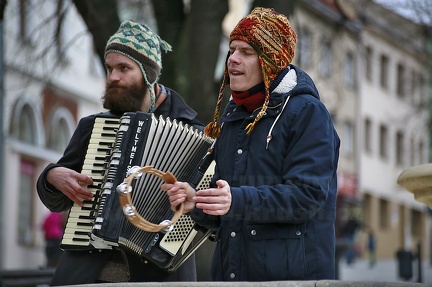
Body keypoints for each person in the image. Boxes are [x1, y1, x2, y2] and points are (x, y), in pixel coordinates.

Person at [164, 7, 340, 281]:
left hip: (290, 280)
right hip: (232, 277)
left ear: (271, 62)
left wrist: (236, 200)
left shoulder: (308, 113)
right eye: (232, 49)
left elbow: (307, 196)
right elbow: (230, 204)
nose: (232, 59)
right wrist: (197, 203)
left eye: (246, 52)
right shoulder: (233, 116)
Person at [36, 20, 202, 285]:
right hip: (90, 270)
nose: (113, 77)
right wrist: (51, 175)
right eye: (109, 68)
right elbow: (58, 200)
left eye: (124, 68)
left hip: (160, 273)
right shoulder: (93, 128)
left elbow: (207, 210)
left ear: (149, 74)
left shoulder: (194, 133)